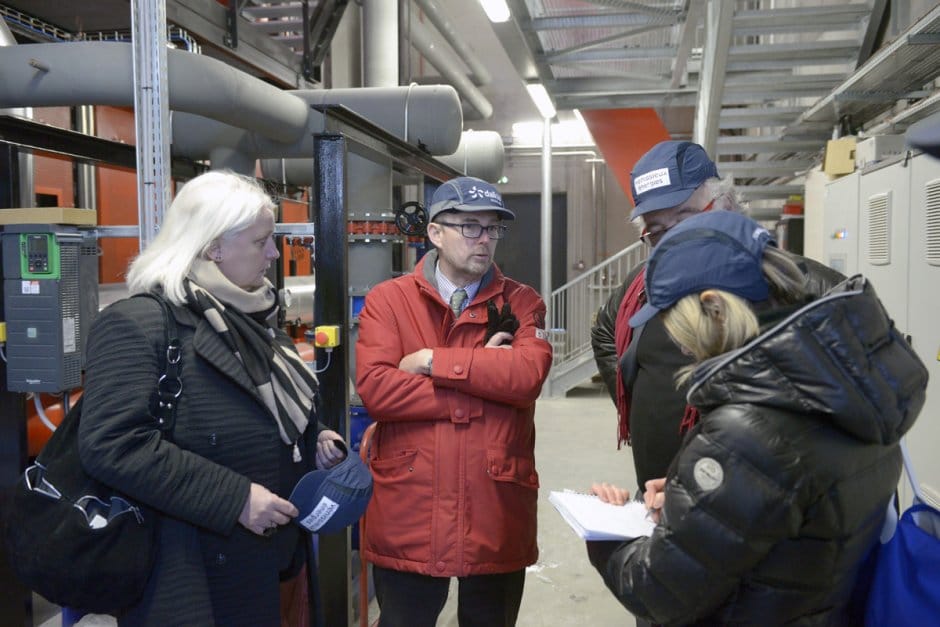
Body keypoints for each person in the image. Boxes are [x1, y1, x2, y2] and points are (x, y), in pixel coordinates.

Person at [585, 210, 928, 625]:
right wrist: (695, 502)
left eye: (674, 321)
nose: (676, 341)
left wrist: (604, 535)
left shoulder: (748, 429)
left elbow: (660, 591)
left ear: (713, 309)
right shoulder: (840, 382)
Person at [78, 170, 348, 625]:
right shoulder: (139, 324)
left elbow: (265, 413)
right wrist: (235, 498)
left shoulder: (251, 314)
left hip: (274, 559)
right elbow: (112, 444)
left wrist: (312, 438)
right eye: (261, 241)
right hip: (193, 569)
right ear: (212, 246)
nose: (273, 252)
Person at [590, 140, 844, 495]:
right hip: (657, 500)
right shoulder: (642, 287)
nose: (675, 240)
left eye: (685, 218)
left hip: (760, 510)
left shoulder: (798, 285)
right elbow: (604, 330)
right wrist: (635, 405)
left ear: (725, 203)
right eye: (659, 231)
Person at [355, 176, 553, 627]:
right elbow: (378, 391)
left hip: (494, 505)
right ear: (435, 233)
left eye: (492, 229)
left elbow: (524, 378)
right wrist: (483, 374)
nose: (484, 240)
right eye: (470, 227)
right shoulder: (390, 301)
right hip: (412, 506)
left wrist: (430, 361)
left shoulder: (522, 303)